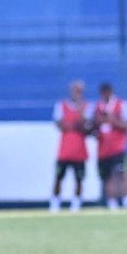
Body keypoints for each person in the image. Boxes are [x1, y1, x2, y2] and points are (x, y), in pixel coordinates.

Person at [92, 81, 127, 210]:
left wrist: (112, 120)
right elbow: (92, 127)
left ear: (110, 92)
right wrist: (97, 122)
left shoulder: (122, 105)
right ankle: (112, 203)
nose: (104, 96)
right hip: (103, 149)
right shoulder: (96, 107)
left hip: (119, 147)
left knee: (123, 173)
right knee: (107, 177)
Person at [50, 79, 90, 212]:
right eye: (75, 90)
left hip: (79, 151)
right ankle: (55, 203)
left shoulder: (86, 106)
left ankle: (76, 204)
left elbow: (86, 126)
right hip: (64, 151)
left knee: (79, 179)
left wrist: (77, 120)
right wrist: (76, 123)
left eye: (80, 91)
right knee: (58, 177)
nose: (77, 93)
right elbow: (60, 125)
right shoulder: (61, 106)